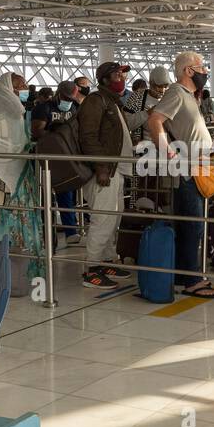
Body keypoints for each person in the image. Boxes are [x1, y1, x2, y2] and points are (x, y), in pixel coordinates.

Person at [145, 51, 214, 298]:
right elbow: (155, 120)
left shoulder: (189, 96)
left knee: (192, 224)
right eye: (202, 67)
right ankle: (191, 280)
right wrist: (168, 152)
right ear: (189, 71)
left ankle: (183, 275)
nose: (205, 72)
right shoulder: (177, 92)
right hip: (186, 172)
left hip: (197, 169)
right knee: (192, 225)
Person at [0, 71, 45, 282]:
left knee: (21, 212)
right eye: (20, 84)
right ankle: (11, 267)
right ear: (9, 86)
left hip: (19, 167)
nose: (25, 88)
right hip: (2, 169)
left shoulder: (5, 102)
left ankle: (22, 266)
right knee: (9, 212)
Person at [75, 62, 139, 288]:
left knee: (114, 217)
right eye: (116, 74)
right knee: (103, 219)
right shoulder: (95, 101)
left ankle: (106, 260)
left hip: (116, 169)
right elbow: (88, 136)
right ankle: (91, 269)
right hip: (104, 171)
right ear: (103, 79)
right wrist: (101, 165)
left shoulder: (112, 101)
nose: (121, 77)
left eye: (122, 74)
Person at [32, 80, 81, 243]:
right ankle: (47, 230)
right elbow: (37, 131)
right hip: (49, 156)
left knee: (68, 191)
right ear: (58, 94)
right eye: (66, 98)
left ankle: (70, 231)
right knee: (47, 194)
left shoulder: (73, 107)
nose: (68, 102)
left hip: (68, 154)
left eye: (71, 99)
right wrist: (56, 134)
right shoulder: (43, 108)